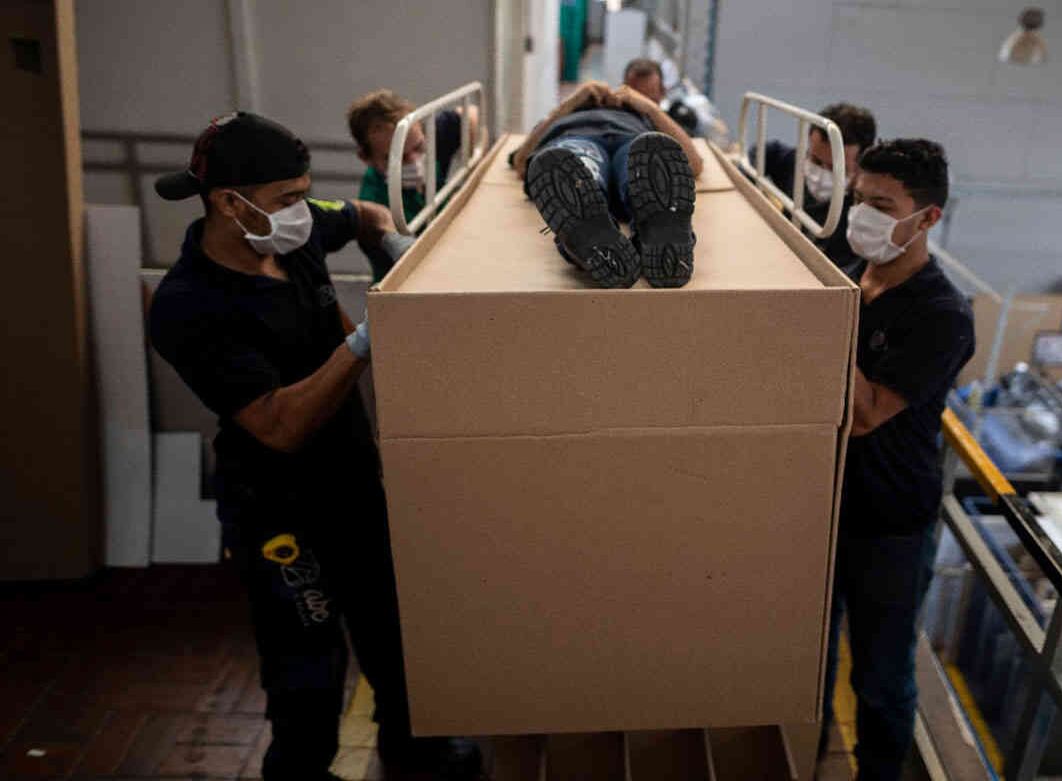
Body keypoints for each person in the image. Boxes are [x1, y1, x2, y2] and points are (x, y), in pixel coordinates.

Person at [148, 112, 481, 781]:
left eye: (304, 194)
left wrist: (396, 246)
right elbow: (278, 423)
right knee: (308, 665)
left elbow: (360, 212)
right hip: (280, 509)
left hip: (352, 479)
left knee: (392, 629)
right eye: (286, 199)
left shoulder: (290, 229)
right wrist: (363, 342)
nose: (302, 211)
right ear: (228, 202)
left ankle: (414, 747)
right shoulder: (189, 305)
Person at [824, 138, 974, 780]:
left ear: (928, 217)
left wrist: (826, 327)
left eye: (882, 205)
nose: (863, 216)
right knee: (810, 654)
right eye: (860, 199)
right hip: (822, 506)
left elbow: (863, 415)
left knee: (881, 675)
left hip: (888, 520)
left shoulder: (942, 315)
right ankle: (810, 752)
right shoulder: (845, 264)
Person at [510, 80, 703, 288]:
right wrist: (572, 103)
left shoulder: (642, 116)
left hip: (632, 141)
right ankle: (592, 232)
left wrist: (648, 107)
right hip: (576, 138)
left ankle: (655, 230)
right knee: (575, 167)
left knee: (645, 161)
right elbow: (521, 162)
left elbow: (694, 163)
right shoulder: (565, 115)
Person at [347, 89, 479, 280]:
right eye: (396, 157)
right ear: (366, 158)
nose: (413, 161)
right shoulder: (373, 205)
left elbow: (471, 115)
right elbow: (418, 272)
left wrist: (474, 169)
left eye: (418, 148)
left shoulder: (429, 141)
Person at [755, 103, 876, 268]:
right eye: (816, 161)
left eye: (836, 168)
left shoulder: (869, 208)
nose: (821, 174)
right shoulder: (792, 164)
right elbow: (761, 153)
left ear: (861, 163)